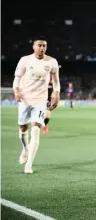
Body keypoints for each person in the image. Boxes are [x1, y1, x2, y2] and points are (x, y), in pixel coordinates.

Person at [13, 36, 60, 174]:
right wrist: (16, 91)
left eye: (44, 46)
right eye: (39, 45)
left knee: (36, 129)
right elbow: (17, 78)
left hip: (40, 101)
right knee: (23, 128)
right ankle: (25, 148)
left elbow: (56, 82)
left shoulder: (52, 62)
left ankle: (29, 164)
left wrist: (56, 95)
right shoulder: (25, 60)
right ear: (33, 47)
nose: (42, 48)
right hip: (25, 99)